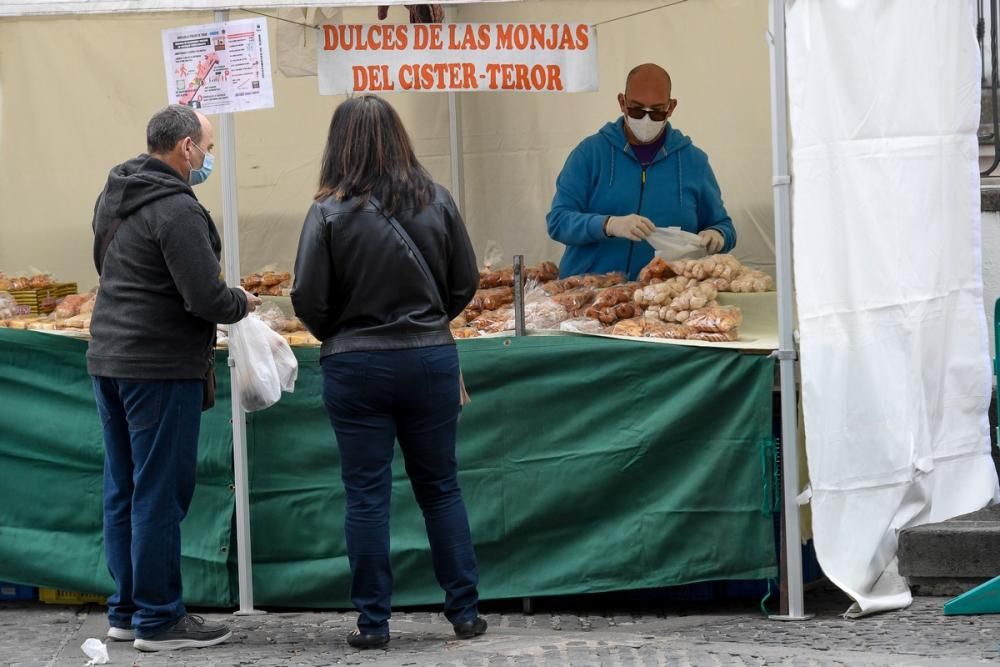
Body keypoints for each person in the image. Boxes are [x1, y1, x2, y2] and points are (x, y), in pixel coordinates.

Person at [291, 95, 486, 650]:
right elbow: (465, 281)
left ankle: (373, 623)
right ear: (400, 138)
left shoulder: (327, 211)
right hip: (429, 358)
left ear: (338, 145)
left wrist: (343, 330)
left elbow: (308, 298)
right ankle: (464, 613)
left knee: (367, 495)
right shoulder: (437, 199)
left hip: (355, 364)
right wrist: (427, 323)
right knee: (441, 487)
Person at [88, 104, 260, 652]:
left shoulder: (115, 193)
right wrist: (243, 301)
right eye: (206, 148)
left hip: (110, 356)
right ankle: (159, 619)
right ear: (185, 147)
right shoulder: (178, 209)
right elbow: (204, 297)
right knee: (158, 493)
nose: (207, 157)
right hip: (158, 366)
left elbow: (111, 268)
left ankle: (128, 609)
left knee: (125, 489)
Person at [546, 63, 737, 280]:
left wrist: (719, 235)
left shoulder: (694, 162)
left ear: (671, 107)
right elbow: (558, 221)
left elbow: (723, 225)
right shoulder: (589, 154)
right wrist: (607, 224)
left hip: (662, 300)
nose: (646, 120)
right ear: (622, 102)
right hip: (588, 295)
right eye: (637, 109)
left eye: (656, 112)